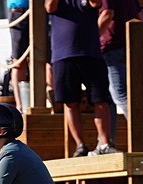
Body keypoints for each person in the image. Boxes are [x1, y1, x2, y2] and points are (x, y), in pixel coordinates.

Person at [46, 0, 119, 157]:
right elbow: (49, 6)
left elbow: (95, 3)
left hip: (91, 54)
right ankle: (80, 145)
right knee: (70, 102)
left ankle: (105, 144)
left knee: (100, 100)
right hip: (63, 55)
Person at [98, 0, 143, 138]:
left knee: (119, 95)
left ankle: (142, 134)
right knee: (110, 97)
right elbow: (140, 18)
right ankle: (108, 141)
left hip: (111, 47)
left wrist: (91, 38)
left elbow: (107, 13)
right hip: (130, 47)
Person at [9, 0, 30, 112]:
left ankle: (48, 101)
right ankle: (20, 104)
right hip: (19, 11)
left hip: (41, 11)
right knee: (18, 62)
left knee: (42, 59)